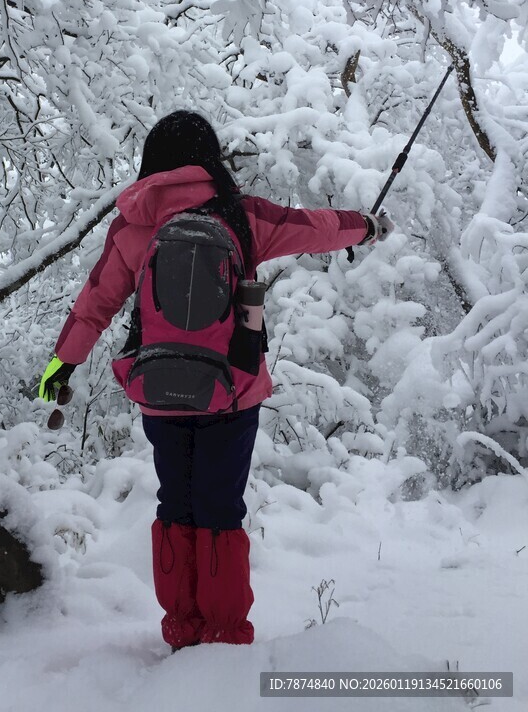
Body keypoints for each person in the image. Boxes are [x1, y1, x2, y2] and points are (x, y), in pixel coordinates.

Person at [38, 111, 393, 650]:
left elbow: (96, 304)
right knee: (221, 512)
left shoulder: (135, 224)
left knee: (175, 506)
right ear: (209, 159)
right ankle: (225, 638)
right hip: (232, 390)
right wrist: (365, 226)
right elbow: (315, 228)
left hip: (160, 394)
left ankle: (182, 630)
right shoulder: (242, 214)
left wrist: (62, 363)